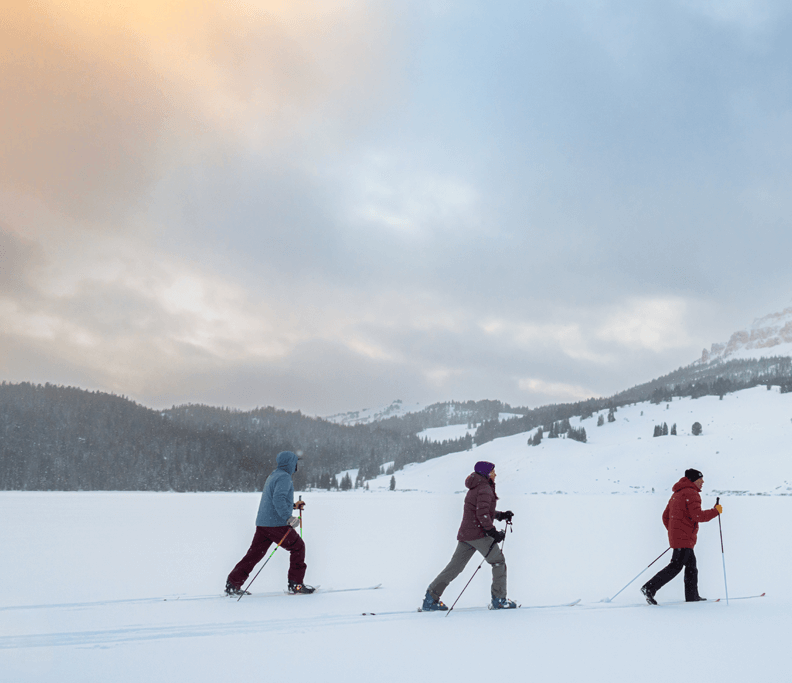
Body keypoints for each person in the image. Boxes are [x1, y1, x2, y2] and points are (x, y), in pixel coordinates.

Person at [422, 461, 517, 611]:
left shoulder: (477, 485)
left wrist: (501, 515)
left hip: (467, 534)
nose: (495, 474)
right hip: (479, 534)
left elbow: (481, 510)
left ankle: (431, 598)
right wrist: (493, 532)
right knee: (498, 561)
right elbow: (482, 514)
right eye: (493, 471)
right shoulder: (484, 488)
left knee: (454, 568)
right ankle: (499, 599)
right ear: (486, 473)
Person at [225, 451, 314, 596]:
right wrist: (289, 518)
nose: (297, 465)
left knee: (253, 555)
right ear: (290, 463)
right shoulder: (284, 477)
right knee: (298, 547)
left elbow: (277, 499)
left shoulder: (274, 475)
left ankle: (233, 583)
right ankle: (296, 584)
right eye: (295, 462)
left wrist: (293, 506)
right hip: (276, 524)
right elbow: (278, 499)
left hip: (264, 523)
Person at [641, 468, 723, 604]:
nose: (702, 482)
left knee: (691, 566)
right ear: (693, 480)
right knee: (676, 566)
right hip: (684, 538)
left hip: (681, 537)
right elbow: (698, 516)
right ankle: (649, 588)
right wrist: (716, 511)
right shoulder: (692, 493)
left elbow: (665, 516)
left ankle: (692, 596)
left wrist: (674, 532)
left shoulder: (677, 493)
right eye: (700, 479)